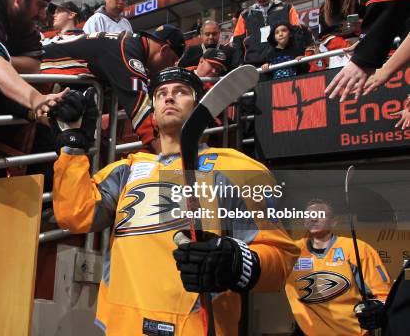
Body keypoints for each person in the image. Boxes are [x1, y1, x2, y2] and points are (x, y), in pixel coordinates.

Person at [48, 66, 300, 335]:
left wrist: (237, 262)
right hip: (123, 327)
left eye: (180, 92)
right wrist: (72, 146)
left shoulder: (239, 169)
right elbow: (75, 215)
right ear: (153, 113)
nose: (169, 98)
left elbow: (281, 257)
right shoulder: (127, 169)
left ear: (201, 106)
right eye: (160, 94)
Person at [41, 25, 185, 147]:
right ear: (164, 50)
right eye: (172, 60)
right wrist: (171, 157)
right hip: (38, 73)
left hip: (44, 71)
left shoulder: (128, 43)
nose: (171, 66)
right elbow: (142, 113)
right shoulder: (128, 52)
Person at [285, 199, 390, 336]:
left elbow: (384, 295)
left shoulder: (356, 249)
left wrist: (377, 309)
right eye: (309, 215)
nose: (314, 219)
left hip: (352, 333)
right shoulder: (291, 252)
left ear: (333, 222)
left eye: (320, 215)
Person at [232, 0, 301, 66]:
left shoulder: (287, 8)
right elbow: (237, 42)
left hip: (283, 61)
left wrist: (299, 54)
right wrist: (239, 65)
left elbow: (297, 33)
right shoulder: (244, 15)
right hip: (254, 66)